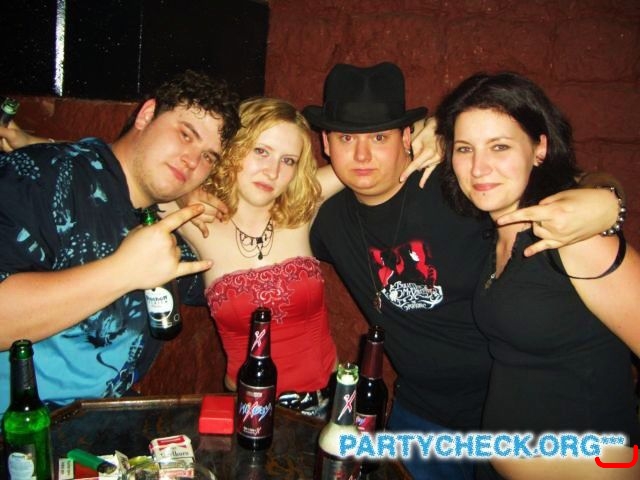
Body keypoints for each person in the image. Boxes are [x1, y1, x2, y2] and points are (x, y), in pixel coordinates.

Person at [303, 62, 623, 479]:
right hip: (420, 418)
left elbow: (560, 184)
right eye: (346, 138)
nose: (362, 155)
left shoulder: (460, 184)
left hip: (511, 417)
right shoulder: (327, 221)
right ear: (326, 143)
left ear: (407, 137)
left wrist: (607, 198)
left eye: (380, 137)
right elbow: (269, 199)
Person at [437, 71, 639, 479]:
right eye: (465, 149)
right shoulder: (496, 232)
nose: (478, 167)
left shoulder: (574, 239)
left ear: (540, 148)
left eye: (500, 146)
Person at [0, 70, 240, 413]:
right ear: (146, 115)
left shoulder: (172, 227)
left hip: (101, 429)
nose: (192, 160)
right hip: (17, 432)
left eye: (208, 157)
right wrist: (123, 272)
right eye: (186, 134)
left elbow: (239, 282)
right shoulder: (42, 176)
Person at [163, 97, 342, 417]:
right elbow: (130, 168)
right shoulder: (196, 219)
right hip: (248, 411)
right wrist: (186, 189)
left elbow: (372, 161)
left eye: (288, 160)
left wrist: (429, 130)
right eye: (261, 151)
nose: (272, 171)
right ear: (233, 147)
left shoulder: (302, 206)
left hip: (327, 407)